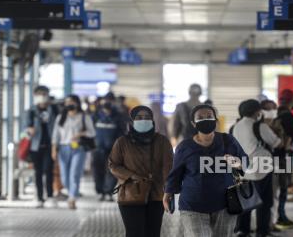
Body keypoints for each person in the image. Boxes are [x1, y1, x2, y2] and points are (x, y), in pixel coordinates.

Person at [164, 104, 247, 237]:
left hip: (225, 204)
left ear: (215, 119)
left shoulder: (228, 141)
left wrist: (237, 163)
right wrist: (168, 194)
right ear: (193, 123)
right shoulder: (185, 147)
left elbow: (246, 162)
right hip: (192, 205)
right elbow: (175, 174)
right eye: (200, 117)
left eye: (209, 116)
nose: (205, 119)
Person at [109, 106, 173, 237]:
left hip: (156, 195)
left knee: (153, 233)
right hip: (131, 194)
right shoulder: (122, 142)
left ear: (152, 121)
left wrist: (169, 190)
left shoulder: (162, 141)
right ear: (132, 121)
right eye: (139, 117)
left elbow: (169, 167)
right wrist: (131, 176)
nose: (143, 120)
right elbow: (113, 165)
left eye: (147, 117)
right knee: (134, 233)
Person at [233, 99, 281, 237]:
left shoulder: (236, 126)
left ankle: (243, 230)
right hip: (261, 169)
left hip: (244, 168)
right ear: (257, 111)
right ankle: (262, 232)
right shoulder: (259, 126)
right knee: (264, 202)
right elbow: (276, 142)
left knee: (246, 201)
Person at [52, 95, 96, 209]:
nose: (69, 104)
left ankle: (72, 198)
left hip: (78, 148)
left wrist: (81, 134)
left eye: (72, 102)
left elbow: (92, 132)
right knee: (64, 178)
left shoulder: (84, 117)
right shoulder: (60, 117)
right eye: (67, 102)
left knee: (74, 173)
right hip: (63, 148)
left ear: (77, 103)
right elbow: (55, 134)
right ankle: (71, 191)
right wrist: (53, 149)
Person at [26, 86, 58, 208]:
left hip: (50, 145)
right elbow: (26, 128)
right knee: (38, 172)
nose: (42, 96)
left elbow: (58, 125)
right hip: (35, 146)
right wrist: (29, 131)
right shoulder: (32, 110)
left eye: (44, 94)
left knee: (48, 170)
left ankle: (50, 196)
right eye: (39, 94)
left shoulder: (54, 109)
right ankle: (39, 197)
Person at [273, 90, 293, 229]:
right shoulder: (289, 115)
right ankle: (281, 217)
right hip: (284, 156)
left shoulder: (275, 113)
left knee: (274, 188)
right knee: (283, 187)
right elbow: (292, 135)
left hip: (271, 156)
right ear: (291, 100)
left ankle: (275, 217)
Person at [92, 96, 126, 201]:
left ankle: (108, 192)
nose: (106, 103)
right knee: (98, 170)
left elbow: (122, 132)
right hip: (97, 148)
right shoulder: (95, 116)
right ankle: (100, 191)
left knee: (112, 171)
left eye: (109, 101)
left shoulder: (118, 116)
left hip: (113, 149)